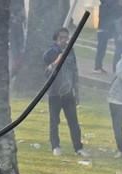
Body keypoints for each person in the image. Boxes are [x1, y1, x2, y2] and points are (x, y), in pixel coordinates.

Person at [43, 27, 88, 157]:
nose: (64, 40)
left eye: (66, 37)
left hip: (68, 93)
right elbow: (45, 72)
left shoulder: (71, 51)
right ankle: (55, 146)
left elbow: (75, 71)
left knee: (73, 121)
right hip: (55, 93)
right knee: (54, 121)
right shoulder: (49, 53)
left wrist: (77, 90)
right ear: (56, 39)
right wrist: (56, 61)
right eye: (61, 38)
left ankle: (78, 148)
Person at [94, 0, 122, 73]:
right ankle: (97, 67)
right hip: (104, 29)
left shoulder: (106, 6)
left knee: (102, 48)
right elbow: (113, 17)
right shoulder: (106, 6)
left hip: (105, 29)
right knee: (101, 48)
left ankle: (98, 66)